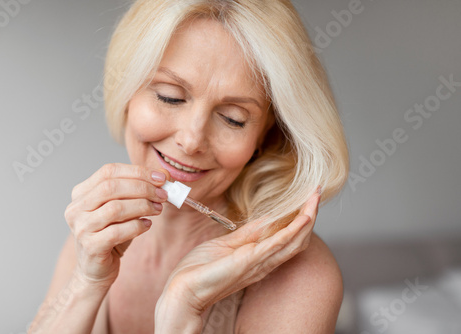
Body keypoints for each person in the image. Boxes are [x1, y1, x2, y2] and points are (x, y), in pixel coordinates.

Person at [30, 0, 349, 333]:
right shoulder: (101, 232)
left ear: (266, 135)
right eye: (170, 96)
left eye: (232, 119)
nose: (192, 139)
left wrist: (183, 308)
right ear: (126, 90)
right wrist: (86, 282)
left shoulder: (300, 275)